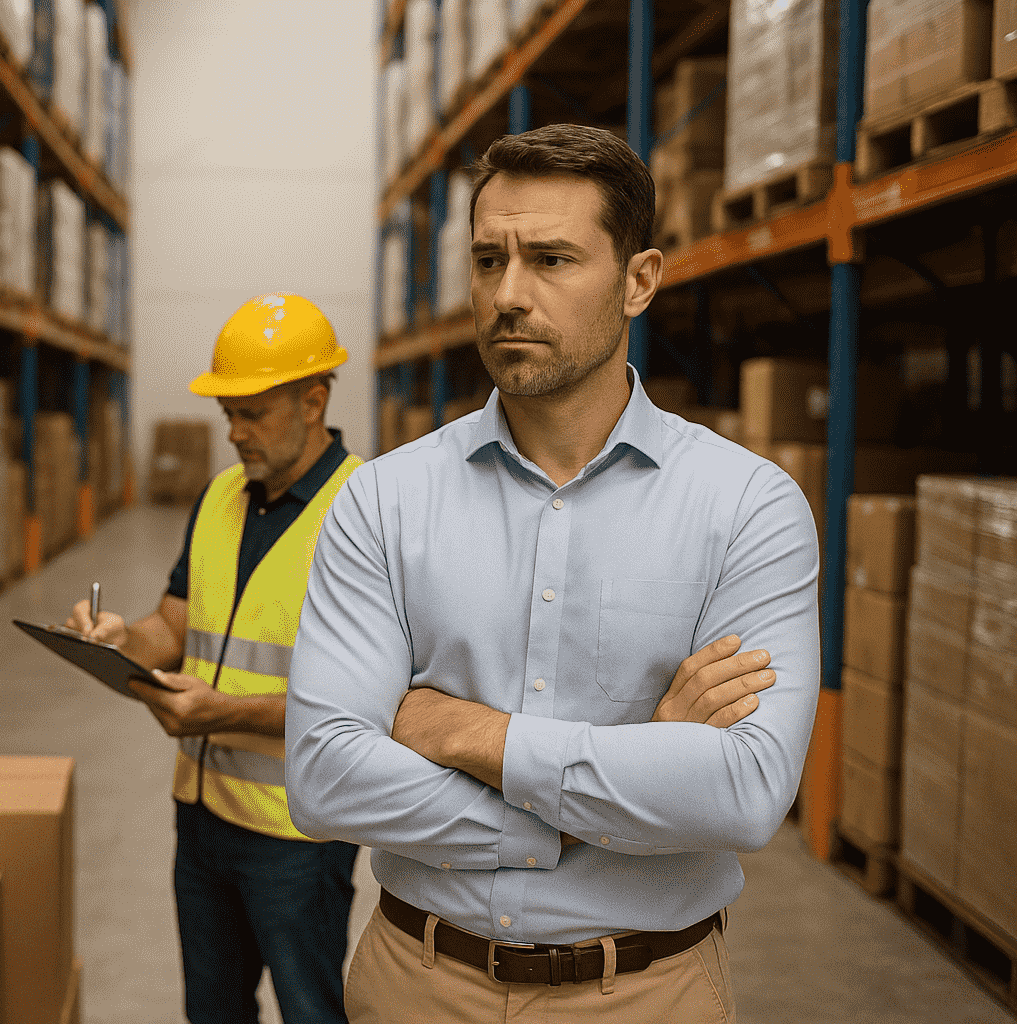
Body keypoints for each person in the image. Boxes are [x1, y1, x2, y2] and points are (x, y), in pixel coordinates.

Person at [285, 124, 820, 1022]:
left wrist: (466, 734)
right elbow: (325, 777)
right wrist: (633, 777)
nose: (509, 295)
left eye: (553, 259)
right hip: (417, 985)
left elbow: (746, 792)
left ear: (639, 280)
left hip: (648, 995)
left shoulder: (746, 507)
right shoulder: (385, 500)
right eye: (488, 259)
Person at [66, 293, 364, 1024]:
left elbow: (372, 706)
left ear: (314, 400)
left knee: (311, 1011)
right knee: (212, 1012)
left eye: (252, 413)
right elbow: (172, 624)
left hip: (296, 837)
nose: (233, 433)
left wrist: (223, 712)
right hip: (200, 822)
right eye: (228, 413)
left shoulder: (364, 513)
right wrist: (116, 639)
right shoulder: (220, 495)